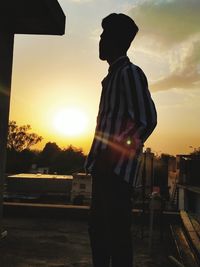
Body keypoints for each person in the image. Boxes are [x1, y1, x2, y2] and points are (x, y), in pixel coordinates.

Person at [85, 13, 157, 267]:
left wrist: (114, 155)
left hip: (115, 175)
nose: (100, 40)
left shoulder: (130, 73)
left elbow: (146, 120)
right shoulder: (112, 78)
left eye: (104, 36)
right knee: (100, 235)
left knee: (116, 239)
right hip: (103, 172)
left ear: (115, 40)